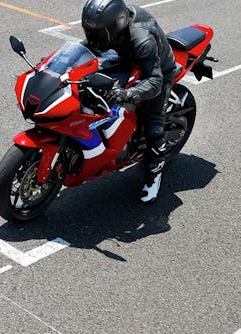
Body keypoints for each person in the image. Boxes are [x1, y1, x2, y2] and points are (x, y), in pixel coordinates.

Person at [81, 0, 178, 203]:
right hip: (126, 58)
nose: (93, 37)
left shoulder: (142, 40)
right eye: (91, 31)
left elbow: (155, 81)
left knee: (154, 127)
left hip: (157, 71)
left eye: (98, 33)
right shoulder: (108, 30)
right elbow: (87, 47)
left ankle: (154, 175)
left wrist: (128, 94)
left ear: (115, 26)